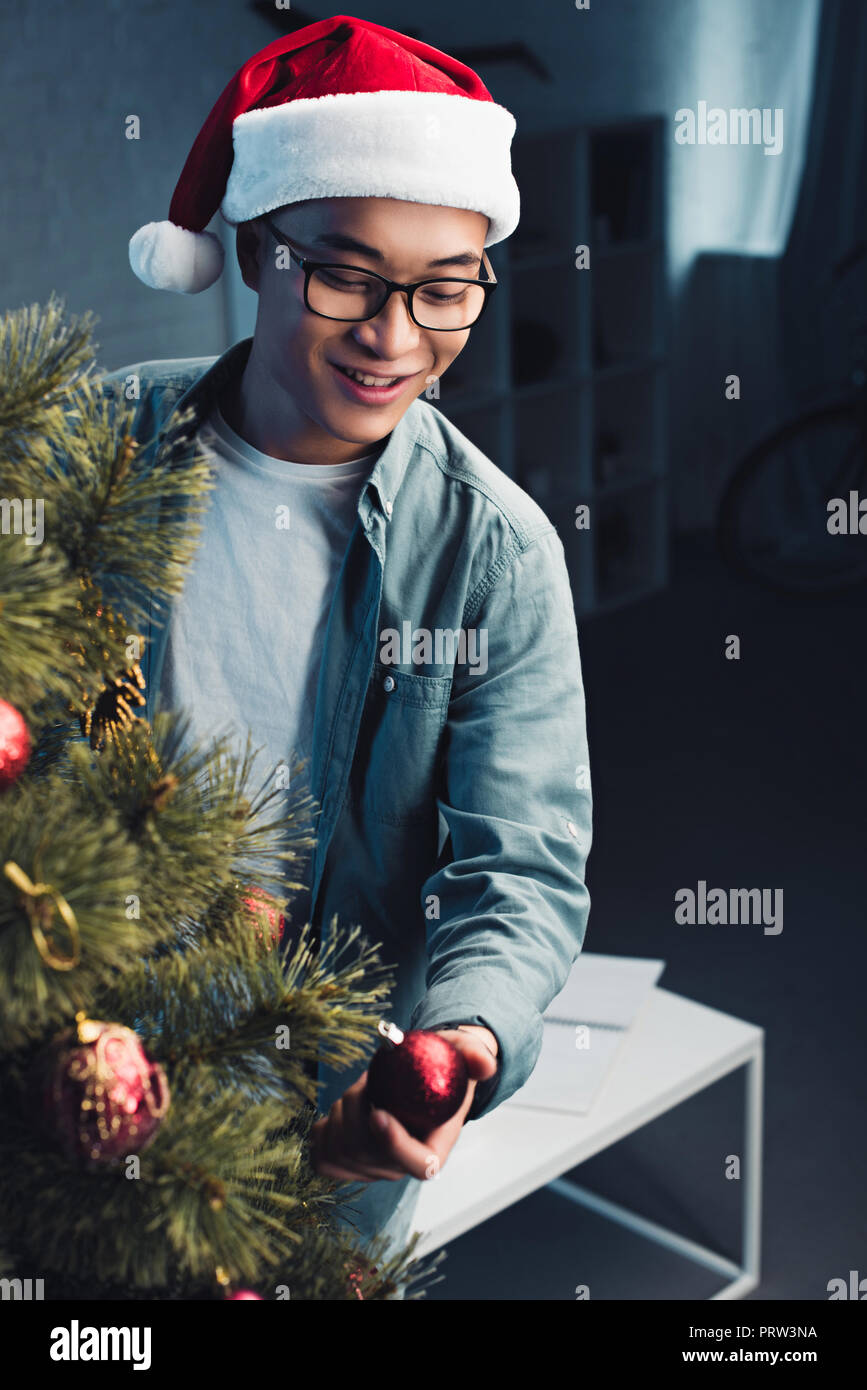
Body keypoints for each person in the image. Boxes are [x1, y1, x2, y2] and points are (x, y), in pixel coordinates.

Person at [117, 13, 592, 1289]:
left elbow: (525, 871)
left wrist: (464, 1042)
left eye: (447, 287)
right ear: (254, 249)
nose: (395, 334)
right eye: (345, 274)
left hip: (317, 1129)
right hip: (72, 1072)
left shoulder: (495, 555)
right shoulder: (97, 455)